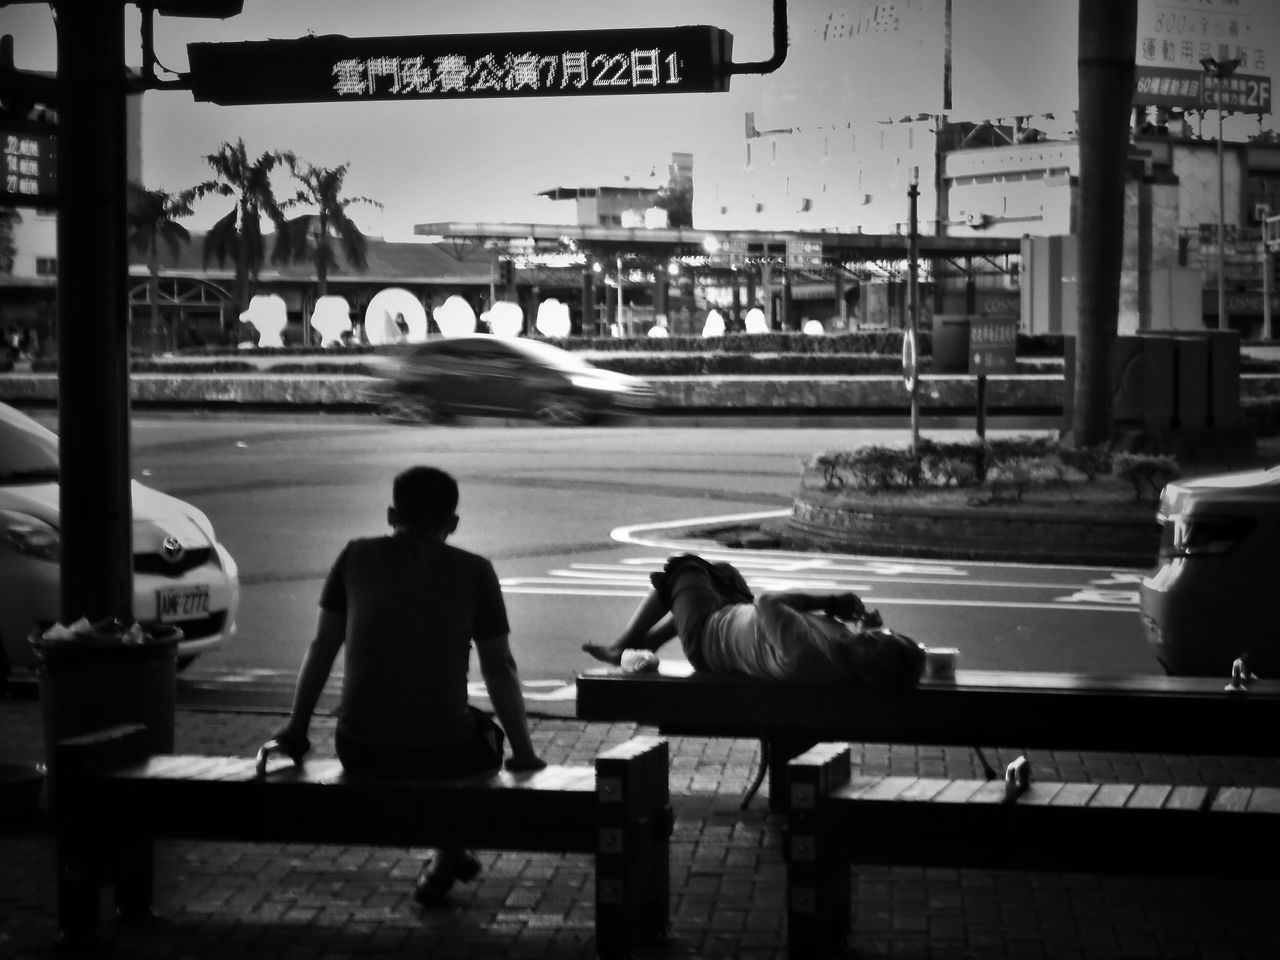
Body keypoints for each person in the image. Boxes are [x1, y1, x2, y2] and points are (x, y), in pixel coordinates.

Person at [271, 466, 546, 905]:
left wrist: (296, 729)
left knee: (445, 741)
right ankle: (446, 856)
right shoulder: (475, 571)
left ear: (390, 514)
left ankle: (446, 861)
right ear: (452, 524)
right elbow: (500, 666)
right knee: (483, 742)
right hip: (443, 754)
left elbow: (323, 645)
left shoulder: (355, 556)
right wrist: (525, 753)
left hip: (360, 748)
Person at [583, 553, 926, 689]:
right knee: (725, 574)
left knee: (685, 570)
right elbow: (793, 619)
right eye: (879, 635)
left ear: (870, 673)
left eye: (873, 647)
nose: (869, 638)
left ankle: (620, 647)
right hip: (735, 621)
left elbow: (768, 601)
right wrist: (861, 627)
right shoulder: (843, 657)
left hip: (708, 638)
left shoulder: (807, 653)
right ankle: (649, 642)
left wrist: (830, 601)